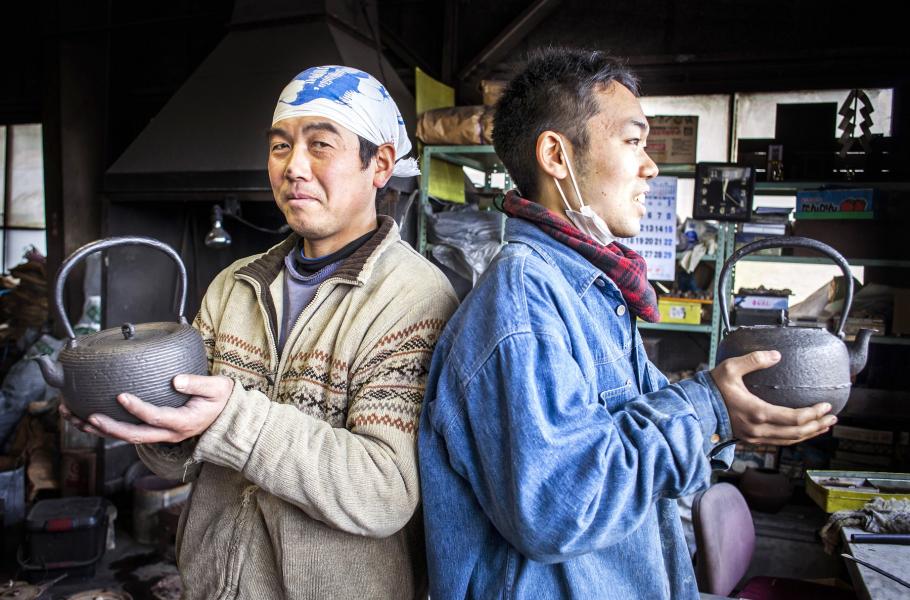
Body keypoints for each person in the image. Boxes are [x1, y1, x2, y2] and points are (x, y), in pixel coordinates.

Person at [417, 48, 836, 599]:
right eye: (633, 141)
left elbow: (640, 438)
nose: (650, 166)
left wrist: (724, 416)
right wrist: (708, 406)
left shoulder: (592, 290)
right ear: (556, 155)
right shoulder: (522, 303)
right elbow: (560, 507)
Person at [62, 65, 458, 600]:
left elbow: (383, 489)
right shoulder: (234, 285)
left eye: (320, 145)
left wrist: (232, 418)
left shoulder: (414, 298)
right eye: (280, 147)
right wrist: (138, 416)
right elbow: (183, 452)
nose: (293, 166)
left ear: (380, 164)